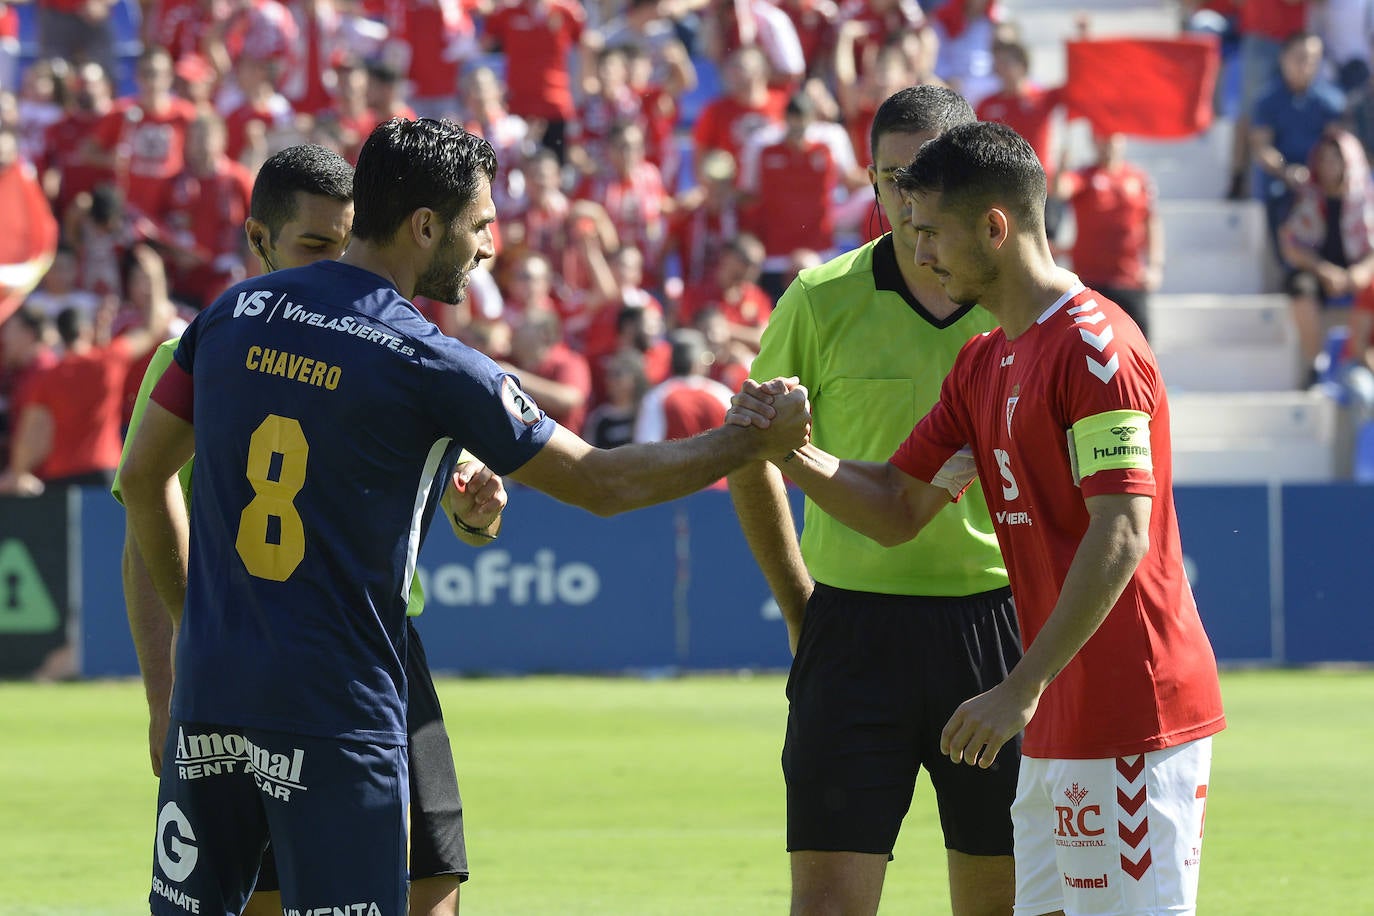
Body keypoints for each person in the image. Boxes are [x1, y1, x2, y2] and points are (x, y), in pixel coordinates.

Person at [119, 118, 809, 915]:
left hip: (213, 699)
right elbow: (603, 483)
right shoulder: (433, 362)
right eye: (480, 224)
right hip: (339, 714)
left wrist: (194, 626)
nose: (489, 247)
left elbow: (142, 479)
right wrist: (746, 439)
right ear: (424, 228)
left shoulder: (231, 315)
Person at [736, 120, 1227, 915]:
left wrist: (1019, 688)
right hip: (1052, 720)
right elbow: (898, 506)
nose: (918, 250)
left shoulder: (1099, 350)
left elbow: (1122, 531)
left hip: (1132, 714)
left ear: (994, 227)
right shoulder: (985, 359)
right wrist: (793, 453)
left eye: (931, 231)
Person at [112, 143, 485, 916]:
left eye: (344, 244)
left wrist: (475, 511)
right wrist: (167, 694)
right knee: (265, 899)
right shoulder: (198, 349)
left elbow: (451, 500)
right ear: (257, 240)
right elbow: (144, 537)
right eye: (313, 246)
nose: (333, 265)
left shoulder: (384, 346)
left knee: (437, 884)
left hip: (379, 654)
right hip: (251, 660)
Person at [727, 85, 1020, 916]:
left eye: (927, 178)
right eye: (894, 178)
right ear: (870, 178)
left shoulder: (1026, 314)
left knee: (1003, 903)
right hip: (851, 635)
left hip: (995, 630)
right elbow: (751, 451)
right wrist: (798, 605)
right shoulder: (818, 299)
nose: (909, 199)